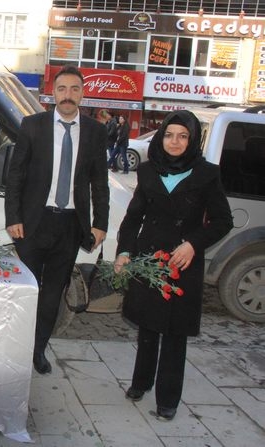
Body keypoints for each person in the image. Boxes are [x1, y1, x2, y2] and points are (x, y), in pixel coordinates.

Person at [114, 110, 232, 421]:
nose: (175, 141)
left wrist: (193, 243)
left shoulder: (207, 173)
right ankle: (141, 382)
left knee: (175, 333)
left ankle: (168, 399)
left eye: (182, 136)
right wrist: (124, 250)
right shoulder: (149, 171)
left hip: (183, 263)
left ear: (192, 140)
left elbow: (223, 220)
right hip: (149, 259)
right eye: (169, 135)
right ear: (161, 137)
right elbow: (133, 217)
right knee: (148, 327)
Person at [5, 65, 109, 375]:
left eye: (74, 89)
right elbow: (16, 175)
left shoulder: (95, 131)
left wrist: (99, 224)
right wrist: (13, 217)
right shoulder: (32, 125)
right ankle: (15, 348)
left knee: (52, 294)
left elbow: (99, 182)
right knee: (26, 290)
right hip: (33, 224)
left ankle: (37, 350)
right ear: (53, 93)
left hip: (69, 226)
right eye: (62, 89)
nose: (67, 95)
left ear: (82, 93)